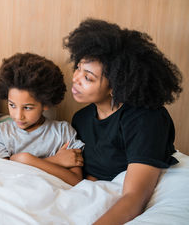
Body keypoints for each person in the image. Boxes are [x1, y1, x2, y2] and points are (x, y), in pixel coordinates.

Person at [64, 18, 183, 224]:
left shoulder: (147, 119)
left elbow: (134, 197)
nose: (75, 78)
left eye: (88, 77)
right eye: (78, 68)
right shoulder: (81, 119)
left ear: (116, 86)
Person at [0, 53, 84, 186]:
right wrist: (55, 160)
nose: (18, 115)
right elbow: (3, 173)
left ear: (45, 104)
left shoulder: (62, 131)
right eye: (12, 105)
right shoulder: (1, 132)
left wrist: (22, 160)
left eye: (27, 108)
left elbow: (75, 180)